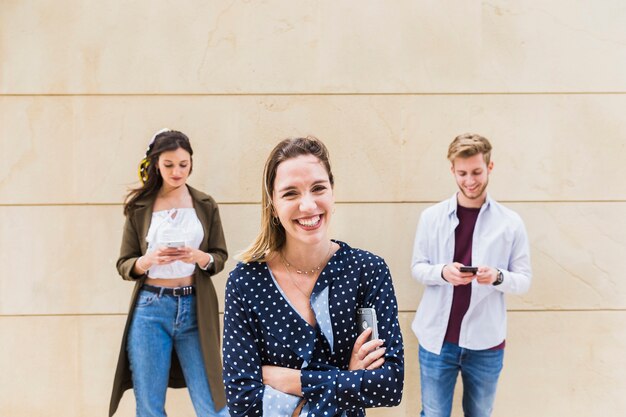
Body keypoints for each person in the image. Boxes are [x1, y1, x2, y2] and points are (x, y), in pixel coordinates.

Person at [222, 137, 404, 416]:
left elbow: (389, 385)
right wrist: (347, 378)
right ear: (272, 203)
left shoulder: (368, 271)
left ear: (332, 191)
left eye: (318, 188)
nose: (308, 206)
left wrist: (289, 380)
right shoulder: (246, 282)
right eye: (290, 193)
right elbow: (241, 400)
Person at [109, 129, 230, 417]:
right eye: (169, 165)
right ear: (155, 164)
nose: (177, 172)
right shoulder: (140, 207)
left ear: (191, 163)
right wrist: (148, 260)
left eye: (184, 164)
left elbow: (220, 256)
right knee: (149, 408)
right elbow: (124, 264)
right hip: (151, 309)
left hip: (195, 308)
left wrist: (200, 257)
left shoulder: (205, 204)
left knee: (213, 404)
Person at [411, 133, 532, 417]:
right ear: (452, 170)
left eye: (476, 172)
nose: (470, 181)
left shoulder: (511, 223)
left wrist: (498, 277)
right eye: (462, 173)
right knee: (433, 414)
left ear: (490, 167)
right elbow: (417, 267)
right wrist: (443, 272)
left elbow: (524, 279)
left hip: (486, 342)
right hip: (436, 340)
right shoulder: (432, 217)